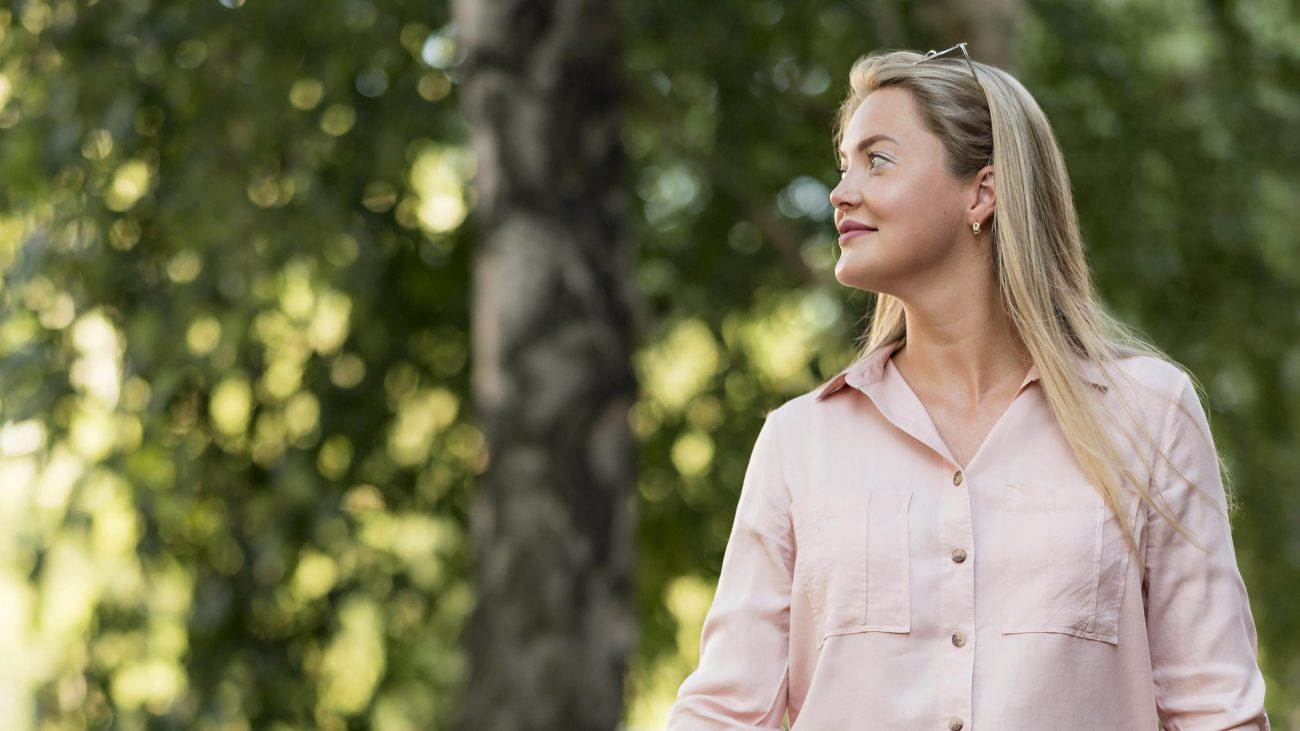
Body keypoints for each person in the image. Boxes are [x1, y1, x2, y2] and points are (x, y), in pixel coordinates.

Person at [666, 44, 1271, 730]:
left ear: (981, 192)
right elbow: (721, 713)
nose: (841, 192)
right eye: (843, 166)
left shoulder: (1149, 415)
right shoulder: (799, 442)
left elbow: (1216, 710)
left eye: (877, 160)